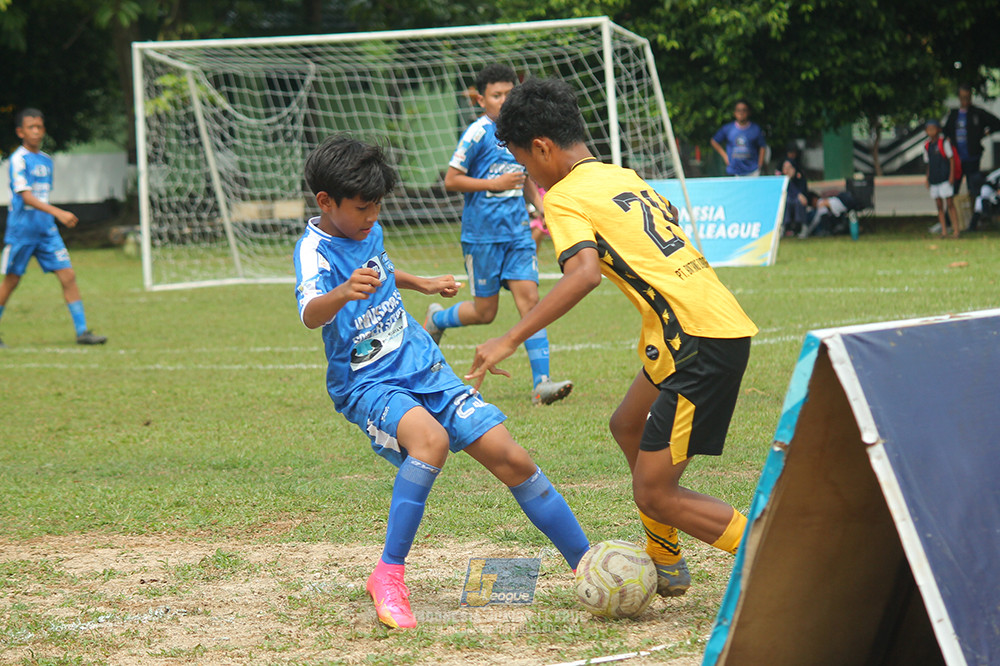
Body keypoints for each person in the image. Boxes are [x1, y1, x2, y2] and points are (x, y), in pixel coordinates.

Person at [469, 78, 759, 598]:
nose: (526, 175)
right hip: (694, 327)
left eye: (523, 162)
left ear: (542, 148)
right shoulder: (619, 175)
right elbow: (665, 220)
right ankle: (664, 557)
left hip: (696, 338)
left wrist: (507, 339)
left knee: (655, 492)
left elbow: (583, 275)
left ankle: (777, 547)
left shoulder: (563, 196)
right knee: (626, 424)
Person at [292, 135, 590, 629]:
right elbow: (309, 313)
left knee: (512, 456)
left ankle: (587, 563)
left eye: (377, 206)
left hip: (421, 362)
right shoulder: (313, 250)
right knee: (429, 442)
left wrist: (422, 283)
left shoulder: (369, 227)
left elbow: (382, 271)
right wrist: (342, 292)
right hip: (367, 381)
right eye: (363, 207)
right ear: (326, 201)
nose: (372, 216)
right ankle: (388, 575)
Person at [424, 64, 573, 406]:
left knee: (530, 303)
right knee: (485, 312)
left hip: (518, 233)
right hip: (482, 238)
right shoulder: (477, 133)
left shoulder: (521, 132)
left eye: (509, 93)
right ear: (481, 100)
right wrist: (492, 183)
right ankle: (437, 318)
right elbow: (451, 179)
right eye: (496, 95)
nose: (504, 100)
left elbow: (524, 179)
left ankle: (542, 384)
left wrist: (540, 207)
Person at [1, 108, 107, 348]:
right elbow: (27, 197)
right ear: (20, 132)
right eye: (31, 127)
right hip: (22, 232)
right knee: (12, 281)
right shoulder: (18, 159)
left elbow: (42, 195)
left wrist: (51, 217)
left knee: (68, 275)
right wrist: (58, 212)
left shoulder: (46, 161)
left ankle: (82, 332)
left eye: (39, 127)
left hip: (46, 231)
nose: (36, 132)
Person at [943, 84, 1000, 230]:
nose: (965, 100)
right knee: (952, 190)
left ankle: (974, 221)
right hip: (957, 160)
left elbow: (996, 123)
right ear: (959, 97)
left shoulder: (977, 113)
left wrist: (985, 133)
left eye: (967, 97)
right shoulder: (954, 115)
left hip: (972, 159)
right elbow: (946, 131)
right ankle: (949, 220)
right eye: (963, 97)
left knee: (974, 190)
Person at [924, 119, 961, 239]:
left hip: (945, 177)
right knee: (939, 205)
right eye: (928, 129)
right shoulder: (927, 145)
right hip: (934, 178)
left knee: (950, 203)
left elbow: (951, 159)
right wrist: (927, 178)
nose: (931, 131)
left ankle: (956, 230)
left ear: (938, 130)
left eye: (933, 129)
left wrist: (951, 176)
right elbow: (928, 164)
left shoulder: (944, 142)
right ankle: (944, 231)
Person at [710, 99, 767, 177]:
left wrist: (760, 164)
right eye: (738, 110)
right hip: (734, 171)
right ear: (734, 113)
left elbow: (762, 146)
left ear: (748, 112)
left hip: (752, 171)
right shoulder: (728, 128)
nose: (741, 113)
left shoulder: (755, 129)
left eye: (744, 110)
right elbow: (714, 141)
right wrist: (725, 156)